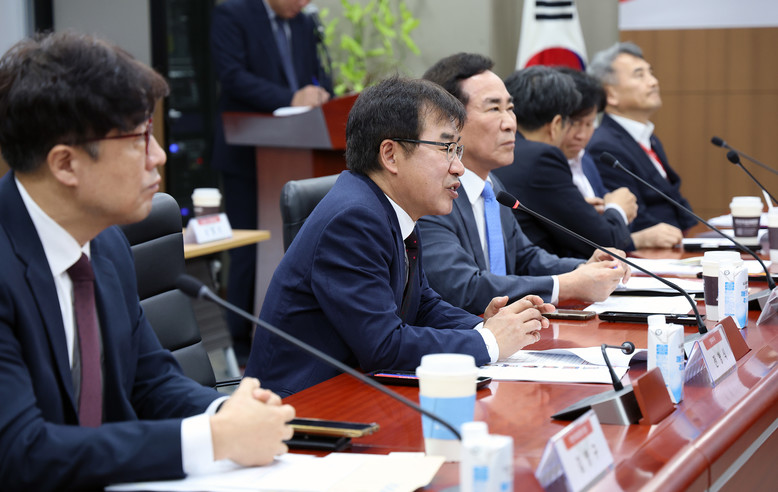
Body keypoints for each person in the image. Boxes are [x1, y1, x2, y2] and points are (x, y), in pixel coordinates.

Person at [0, 31, 294, 490]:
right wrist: (213, 439)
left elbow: (150, 381)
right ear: (65, 164)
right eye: (138, 138)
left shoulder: (107, 243)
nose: (158, 157)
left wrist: (226, 412)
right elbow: (21, 453)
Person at [245, 76, 555, 397]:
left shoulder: (391, 206)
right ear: (391, 155)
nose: (459, 168)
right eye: (447, 149)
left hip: (355, 391)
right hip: (301, 407)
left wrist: (482, 326)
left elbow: (421, 305)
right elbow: (384, 346)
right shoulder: (353, 220)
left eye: (458, 150)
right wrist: (488, 342)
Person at [419, 53, 629, 315]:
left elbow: (524, 257)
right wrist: (566, 285)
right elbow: (462, 286)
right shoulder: (431, 192)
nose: (510, 124)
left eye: (510, 108)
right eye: (494, 109)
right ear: (448, 122)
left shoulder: (492, 186)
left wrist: (583, 267)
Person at [211, 0, 333, 364]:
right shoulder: (232, 14)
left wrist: (320, 93)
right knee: (248, 247)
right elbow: (232, 76)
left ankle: (298, 334)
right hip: (248, 152)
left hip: (299, 147)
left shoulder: (304, 23)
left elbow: (318, 75)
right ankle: (240, 342)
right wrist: (289, 97)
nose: (304, 3)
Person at [558, 67, 683, 250]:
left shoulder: (585, 159)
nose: (582, 135)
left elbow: (621, 221)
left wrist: (608, 212)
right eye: (574, 124)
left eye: (589, 124)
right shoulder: (550, 163)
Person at [587, 42, 696, 233]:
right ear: (610, 94)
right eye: (640, 75)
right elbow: (634, 217)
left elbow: (671, 198)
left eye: (650, 73)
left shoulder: (649, 138)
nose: (653, 82)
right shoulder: (604, 146)